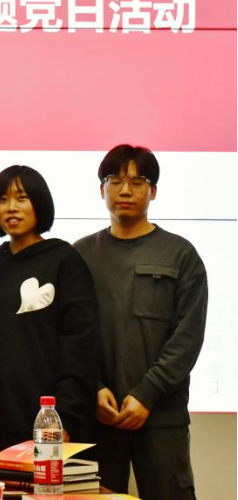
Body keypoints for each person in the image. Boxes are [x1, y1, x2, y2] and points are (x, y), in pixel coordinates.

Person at [74, 145, 206, 500]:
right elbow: (70, 336)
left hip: (161, 417)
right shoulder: (79, 255)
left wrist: (147, 394)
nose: (125, 190)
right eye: (115, 180)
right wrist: (92, 387)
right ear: (102, 189)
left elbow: (187, 337)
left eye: (137, 181)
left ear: (153, 191)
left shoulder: (180, 255)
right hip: (99, 417)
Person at [0, 165, 97, 455]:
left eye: (22, 198)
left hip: (50, 419)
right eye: (3, 200)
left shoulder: (64, 260)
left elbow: (80, 345)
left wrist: (65, 416)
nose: (11, 208)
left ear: (39, 203)